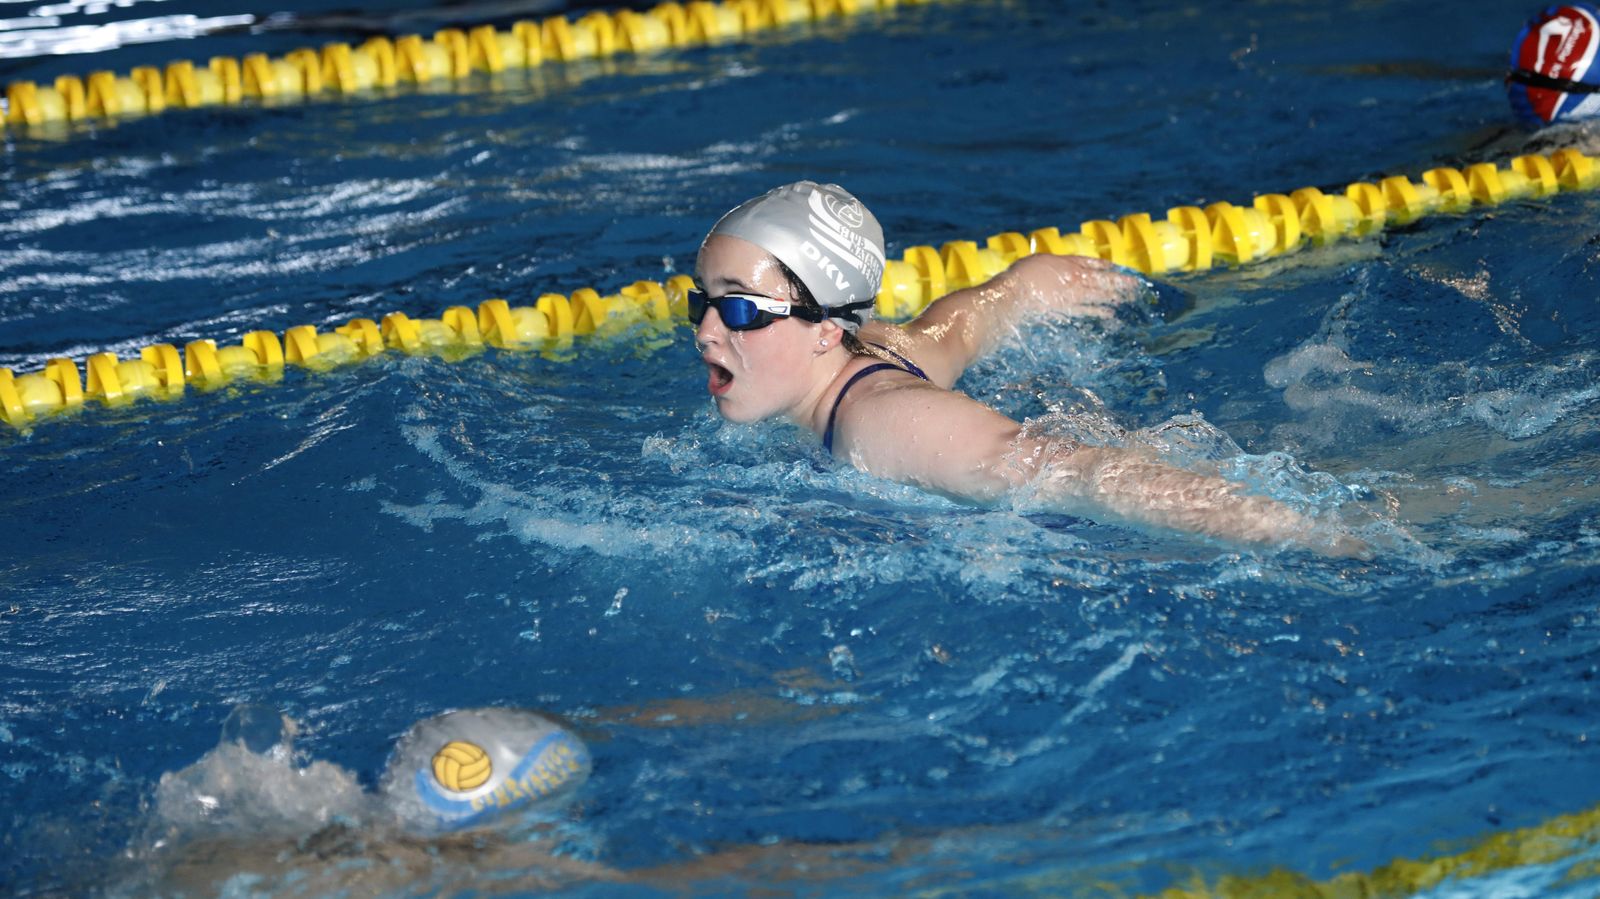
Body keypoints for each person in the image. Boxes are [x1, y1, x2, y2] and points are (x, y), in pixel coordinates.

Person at [691, 181, 1363, 555]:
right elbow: (959, 324)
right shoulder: (880, 348)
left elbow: (1077, 471)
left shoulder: (886, 424)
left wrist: (1310, 531)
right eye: (702, 302)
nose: (706, 332)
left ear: (827, 330)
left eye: (741, 311)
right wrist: (1020, 286)